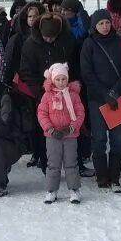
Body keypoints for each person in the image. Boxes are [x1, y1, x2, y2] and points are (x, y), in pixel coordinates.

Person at [80, 9, 121, 192]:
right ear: (95, 25)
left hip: (118, 97)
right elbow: (87, 73)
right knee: (100, 138)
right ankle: (102, 177)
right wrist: (105, 94)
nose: (105, 26)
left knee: (118, 140)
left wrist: (116, 91)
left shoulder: (120, 42)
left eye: (107, 23)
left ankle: (115, 177)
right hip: (97, 98)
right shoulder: (89, 44)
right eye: (101, 23)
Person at [19, 13, 78, 173]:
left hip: (67, 90)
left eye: (53, 37)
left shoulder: (68, 40)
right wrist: (40, 91)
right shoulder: (30, 44)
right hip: (42, 92)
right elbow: (26, 71)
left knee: (71, 126)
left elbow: (75, 63)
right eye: (46, 37)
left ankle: (73, 164)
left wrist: (73, 84)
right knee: (45, 129)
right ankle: (47, 165)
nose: (49, 40)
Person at [38, 63, 86, 204]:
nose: (60, 82)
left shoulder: (73, 95)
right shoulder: (47, 96)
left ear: (68, 79)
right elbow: (42, 114)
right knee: (53, 164)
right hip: (53, 136)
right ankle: (51, 190)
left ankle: (74, 189)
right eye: (58, 79)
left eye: (63, 79)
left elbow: (80, 113)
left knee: (71, 163)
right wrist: (50, 129)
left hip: (70, 135)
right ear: (53, 80)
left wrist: (72, 127)